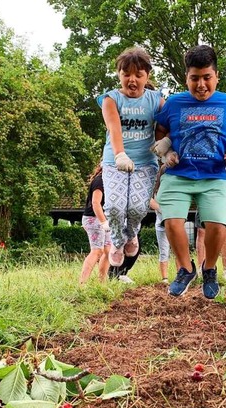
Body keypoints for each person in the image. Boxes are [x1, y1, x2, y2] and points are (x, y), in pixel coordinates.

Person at [152, 45, 226, 299]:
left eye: (207, 77)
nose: (201, 84)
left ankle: (210, 269)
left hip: (214, 176)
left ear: (216, 76)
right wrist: (165, 153)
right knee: (171, 221)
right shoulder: (174, 103)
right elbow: (160, 131)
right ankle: (185, 268)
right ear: (186, 78)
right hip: (178, 175)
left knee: (218, 225)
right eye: (195, 78)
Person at [98, 47, 164, 268]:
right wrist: (120, 154)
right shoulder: (111, 99)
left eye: (138, 74)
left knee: (137, 208)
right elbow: (114, 128)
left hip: (145, 163)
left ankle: (132, 233)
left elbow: (172, 123)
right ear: (119, 74)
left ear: (147, 76)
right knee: (115, 207)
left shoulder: (156, 100)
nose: (132, 80)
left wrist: (168, 144)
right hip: (114, 162)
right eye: (126, 74)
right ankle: (117, 241)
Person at [195, 167, 226, 280]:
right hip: (205, 190)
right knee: (201, 230)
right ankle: (201, 269)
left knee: (224, 230)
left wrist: (221, 183)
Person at [79, 165, 111, 284]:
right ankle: (82, 283)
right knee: (97, 251)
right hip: (94, 218)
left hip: (103, 219)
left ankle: (102, 283)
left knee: (108, 251)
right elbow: (95, 203)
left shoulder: (108, 179)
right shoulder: (100, 180)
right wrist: (104, 223)